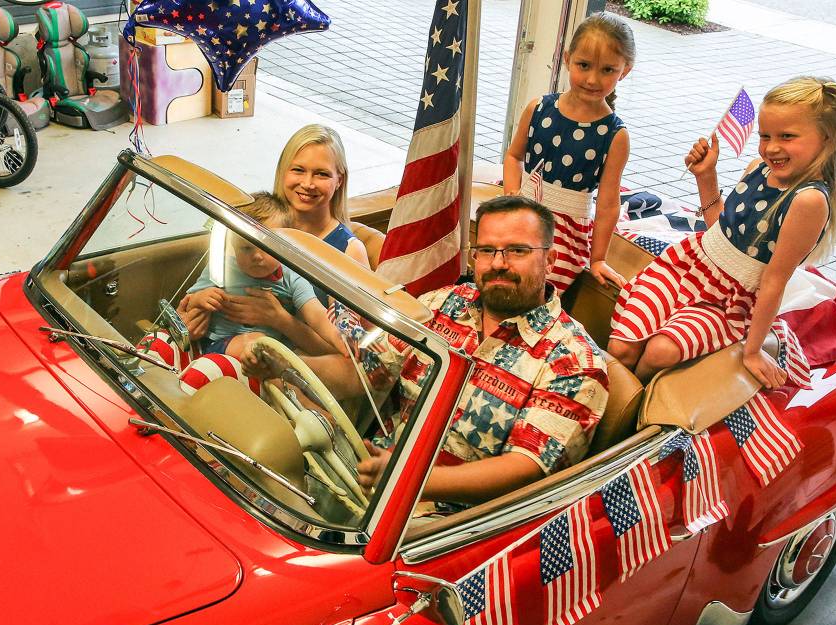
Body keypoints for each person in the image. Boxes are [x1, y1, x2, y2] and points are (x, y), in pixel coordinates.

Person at [248, 195, 609, 512]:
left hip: (449, 524)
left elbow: (525, 468)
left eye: (517, 251)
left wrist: (406, 477)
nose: (498, 263)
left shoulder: (574, 361)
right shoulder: (440, 305)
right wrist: (285, 365)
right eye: (487, 251)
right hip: (364, 476)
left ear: (550, 259)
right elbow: (366, 373)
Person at [608, 77, 836, 387]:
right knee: (621, 346)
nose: (771, 148)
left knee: (660, 352)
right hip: (687, 266)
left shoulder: (809, 200)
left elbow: (775, 280)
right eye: (765, 135)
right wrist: (706, 174)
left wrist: (752, 352)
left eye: (787, 136)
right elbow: (720, 227)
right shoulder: (757, 168)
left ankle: (627, 407)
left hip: (728, 302)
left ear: (829, 138)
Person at [502, 12, 635, 294]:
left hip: (566, 234)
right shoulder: (538, 108)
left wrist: (598, 259)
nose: (592, 79)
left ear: (625, 70)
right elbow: (513, 157)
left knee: (533, 283)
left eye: (607, 70)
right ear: (566, 58)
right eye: (583, 65)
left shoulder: (615, 135)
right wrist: (512, 195)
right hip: (522, 211)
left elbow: (609, 202)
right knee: (498, 269)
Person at [181, 192, 344, 359]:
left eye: (266, 248)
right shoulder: (222, 267)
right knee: (259, 343)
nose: (257, 256)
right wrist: (201, 298)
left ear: (285, 246)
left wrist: (340, 339)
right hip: (215, 343)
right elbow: (187, 302)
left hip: (260, 352)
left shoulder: (293, 278)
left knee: (262, 344)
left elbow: (317, 314)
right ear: (233, 244)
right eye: (245, 248)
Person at [273, 124, 370, 272]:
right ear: (282, 171)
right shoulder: (261, 224)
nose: (307, 184)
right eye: (298, 170)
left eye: (322, 174)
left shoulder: (351, 251)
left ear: (339, 180)